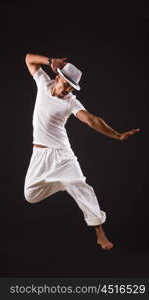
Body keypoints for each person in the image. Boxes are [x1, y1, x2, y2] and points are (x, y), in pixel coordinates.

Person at [24, 53, 140, 250]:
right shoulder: (43, 83)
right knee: (30, 195)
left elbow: (92, 120)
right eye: (66, 84)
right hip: (39, 153)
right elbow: (28, 59)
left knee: (81, 187)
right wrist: (50, 61)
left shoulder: (71, 102)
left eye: (71, 87)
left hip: (62, 154)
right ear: (58, 77)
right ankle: (63, 183)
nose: (67, 89)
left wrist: (117, 135)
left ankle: (100, 232)